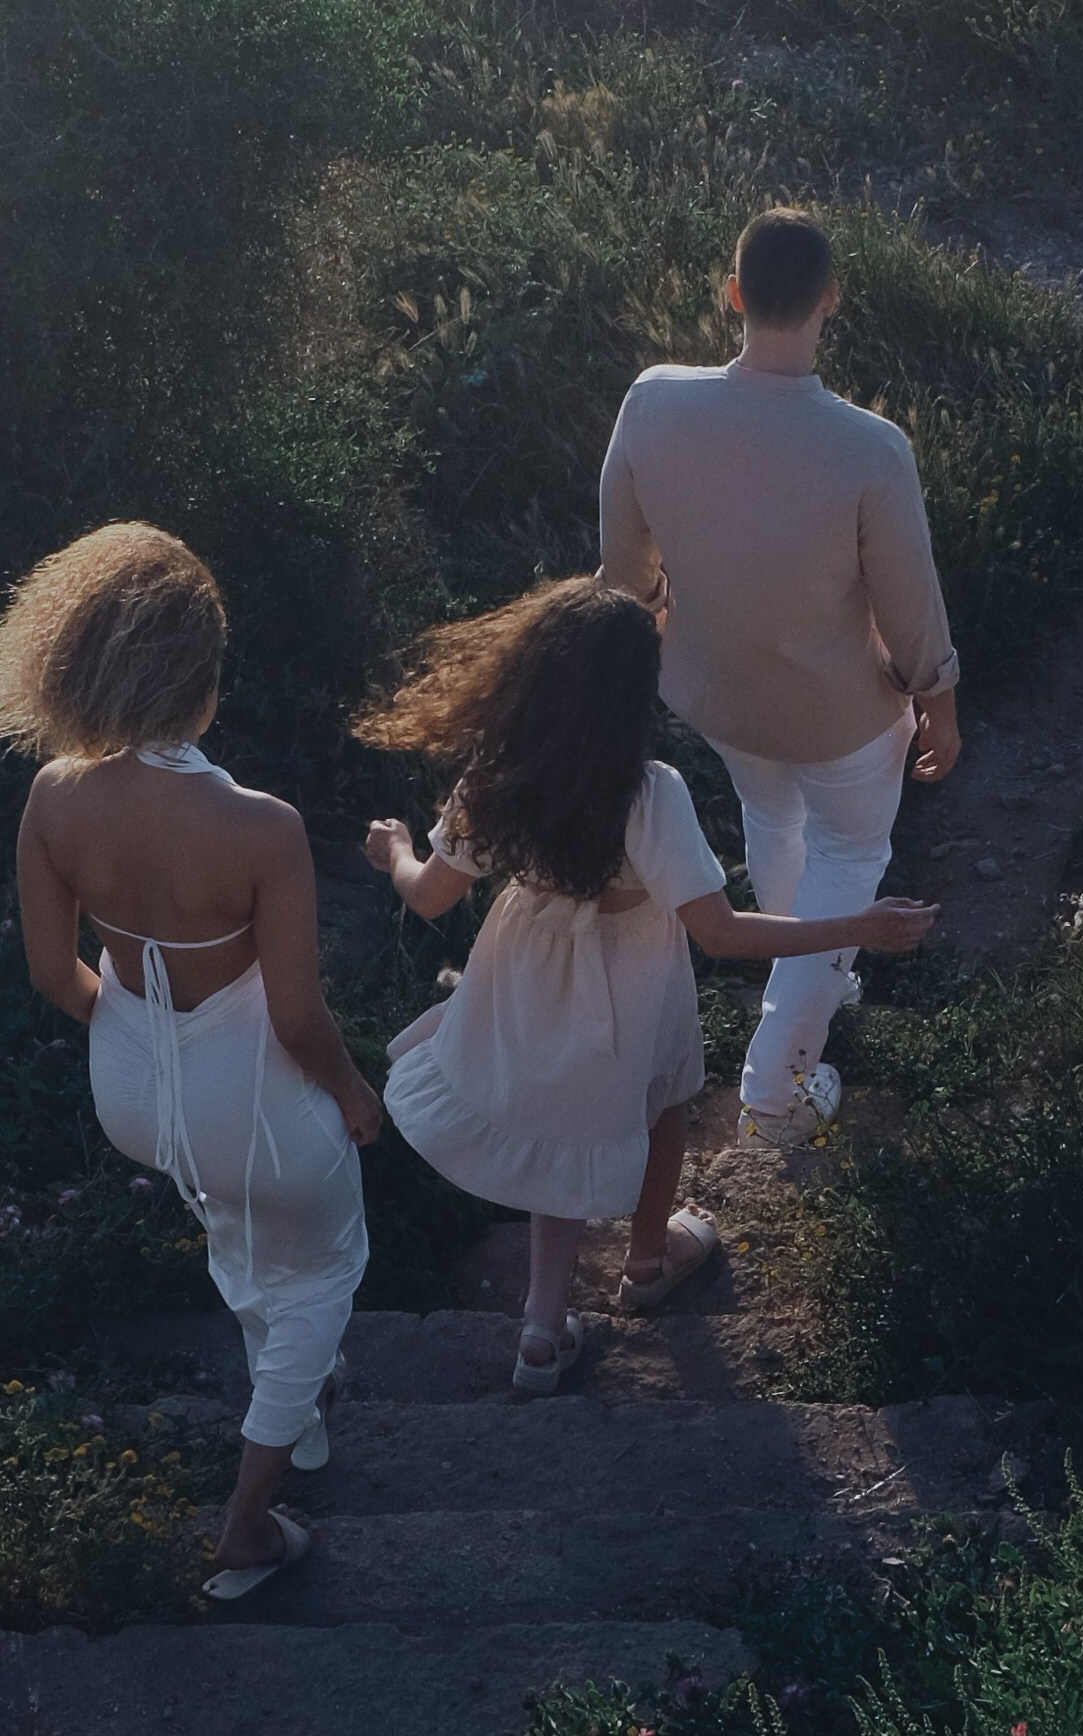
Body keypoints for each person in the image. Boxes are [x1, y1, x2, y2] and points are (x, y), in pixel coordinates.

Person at [360, 578, 934, 1387]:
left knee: (555, 1130)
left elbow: (428, 896)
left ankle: (541, 1324)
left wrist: (394, 852)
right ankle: (647, 1256)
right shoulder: (649, 791)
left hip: (522, 969)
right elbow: (722, 932)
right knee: (665, 1100)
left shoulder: (497, 772)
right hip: (630, 972)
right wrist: (855, 925)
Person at [0, 521, 380, 1601]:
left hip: (137, 1094)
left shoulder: (52, 795)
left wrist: (149, 1043)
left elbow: (54, 977)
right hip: (256, 1099)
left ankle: (297, 1425)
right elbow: (295, 1015)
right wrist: (351, 1092)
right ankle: (246, 1525)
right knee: (321, 1274)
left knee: (244, 1238)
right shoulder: (260, 826)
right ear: (198, 671)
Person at [599, 206, 962, 1149]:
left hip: (718, 695)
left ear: (733, 295)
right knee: (848, 854)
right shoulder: (870, 448)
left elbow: (623, 573)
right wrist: (940, 703)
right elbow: (912, 604)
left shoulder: (652, 402)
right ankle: (776, 1086)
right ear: (831, 299)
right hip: (844, 714)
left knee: (774, 819)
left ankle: (820, 967)